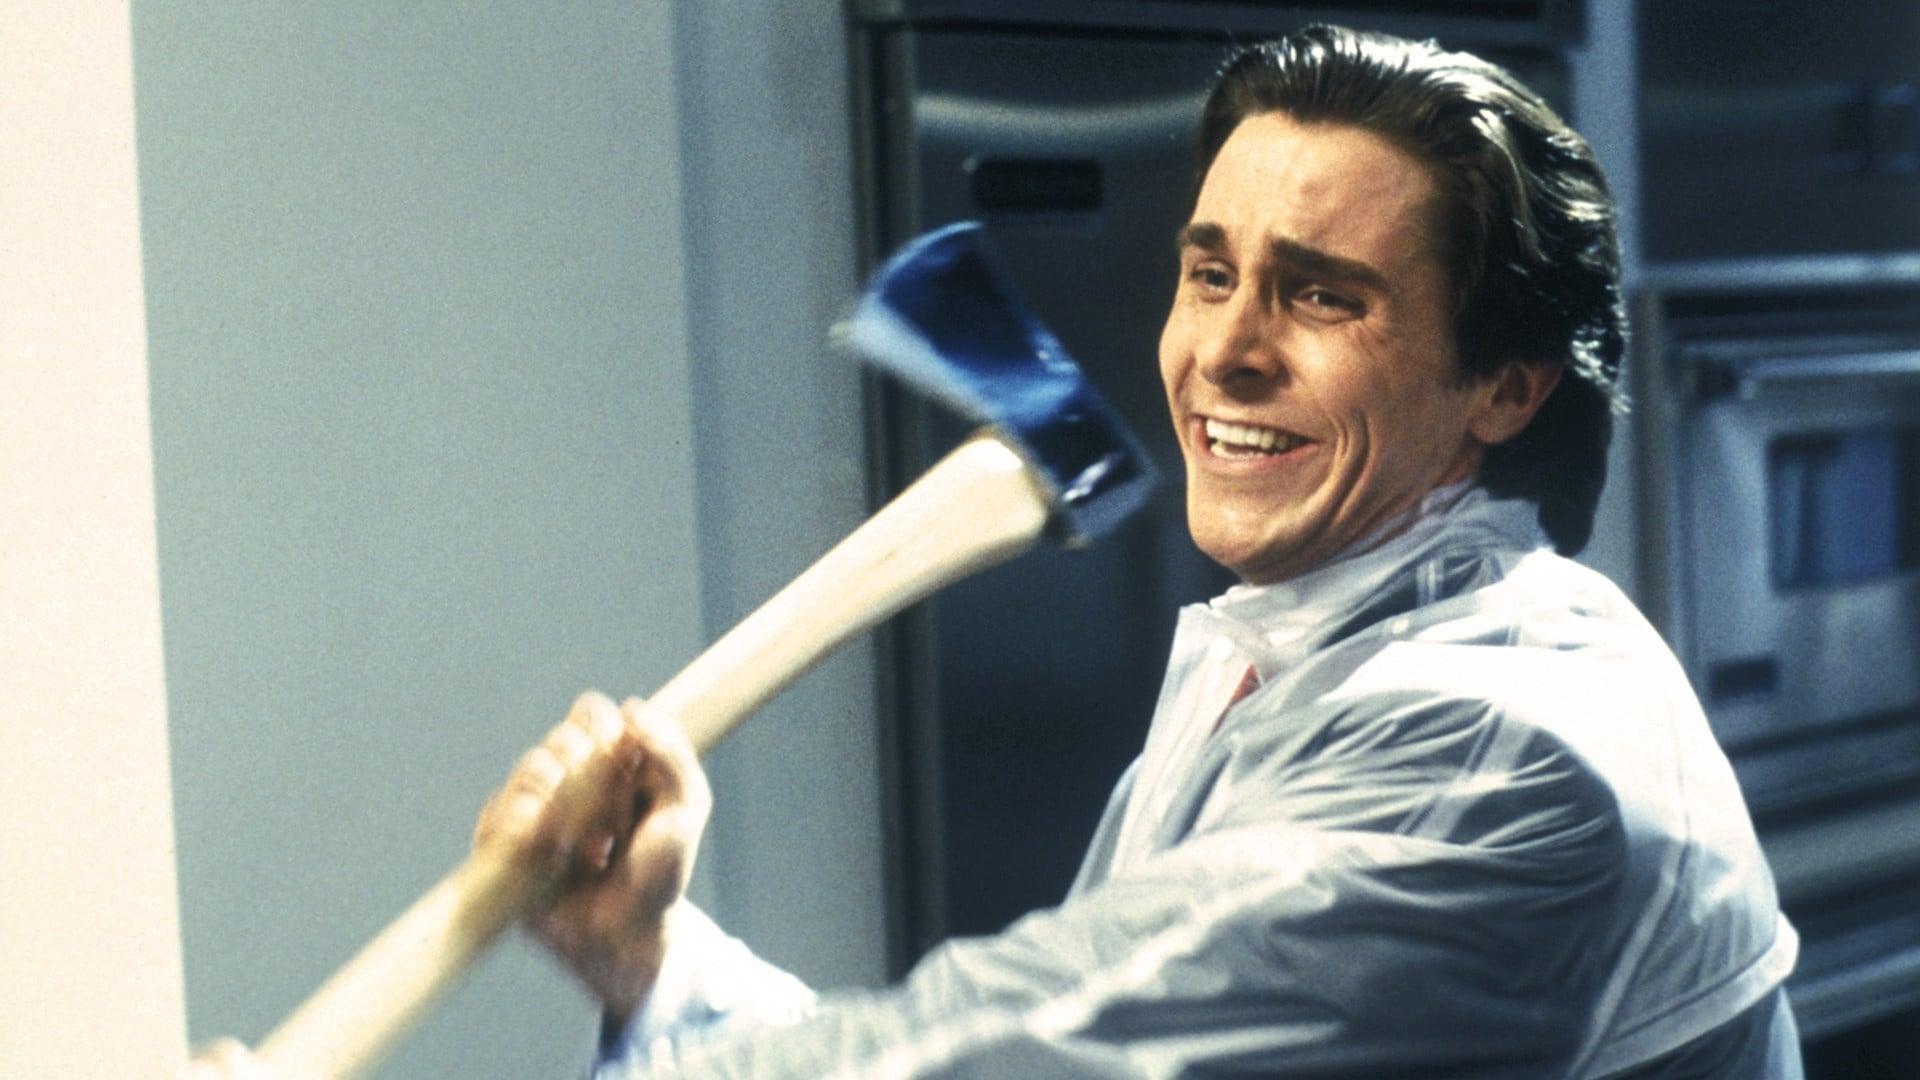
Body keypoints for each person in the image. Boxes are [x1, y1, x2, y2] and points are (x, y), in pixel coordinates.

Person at [189, 24, 1802, 1078]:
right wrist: (652, 960)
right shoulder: (1302, 645)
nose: (1225, 352)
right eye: (1209, 271)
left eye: (1323, 295)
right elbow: (1033, 1022)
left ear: (1506, 387)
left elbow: (1015, 1063)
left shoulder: (1494, 746)